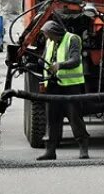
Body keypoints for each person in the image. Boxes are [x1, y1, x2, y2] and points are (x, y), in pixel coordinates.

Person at [36, 20, 89, 161]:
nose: (47, 38)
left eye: (48, 35)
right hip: (53, 86)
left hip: (70, 86)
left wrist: (60, 66)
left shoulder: (72, 39)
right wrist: (39, 62)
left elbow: (76, 60)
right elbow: (44, 59)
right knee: (52, 119)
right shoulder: (50, 42)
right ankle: (50, 151)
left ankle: (83, 149)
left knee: (75, 118)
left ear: (55, 32)